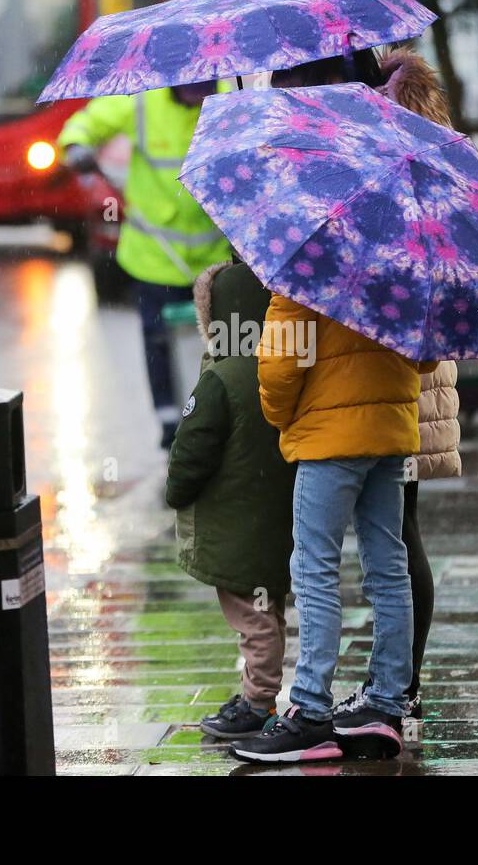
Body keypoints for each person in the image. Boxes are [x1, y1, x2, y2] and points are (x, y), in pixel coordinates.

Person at [227, 43, 437, 766]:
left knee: (312, 566)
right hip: (391, 427)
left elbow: (283, 360)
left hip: (325, 435)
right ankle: (383, 703)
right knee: (387, 564)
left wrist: (282, 414)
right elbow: (426, 348)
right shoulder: (403, 225)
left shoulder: (307, 232)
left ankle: (310, 710)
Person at [329, 49, 463, 734]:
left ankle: (399, 684)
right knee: (397, 530)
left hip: (403, 370)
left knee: (397, 532)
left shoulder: (397, 156)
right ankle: (397, 681)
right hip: (401, 370)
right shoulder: (415, 141)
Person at [59, 81, 233, 448]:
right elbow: (88, 121)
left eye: (203, 85)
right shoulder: (142, 103)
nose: (197, 91)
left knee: (225, 345)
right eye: (190, 86)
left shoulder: (228, 103)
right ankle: (170, 425)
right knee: (159, 342)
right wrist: (76, 146)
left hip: (214, 262)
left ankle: (218, 421)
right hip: (154, 256)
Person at [164, 259, 296, 740]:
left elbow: (191, 450)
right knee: (269, 610)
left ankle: (258, 701)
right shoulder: (282, 365)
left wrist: (175, 491)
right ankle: (256, 694)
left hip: (234, 528)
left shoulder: (220, 379)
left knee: (252, 620)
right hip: (276, 520)